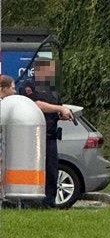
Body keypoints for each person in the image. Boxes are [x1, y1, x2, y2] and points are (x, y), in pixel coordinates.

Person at [19, 58, 73, 208]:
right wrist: (59, 109)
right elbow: (36, 105)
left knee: (51, 172)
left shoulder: (53, 90)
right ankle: (29, 203)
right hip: (33, 138)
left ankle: (49, 203)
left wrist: (63, 114)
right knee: (32, 170)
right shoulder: (28, 86)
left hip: (50, 137)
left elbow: (58, 107)